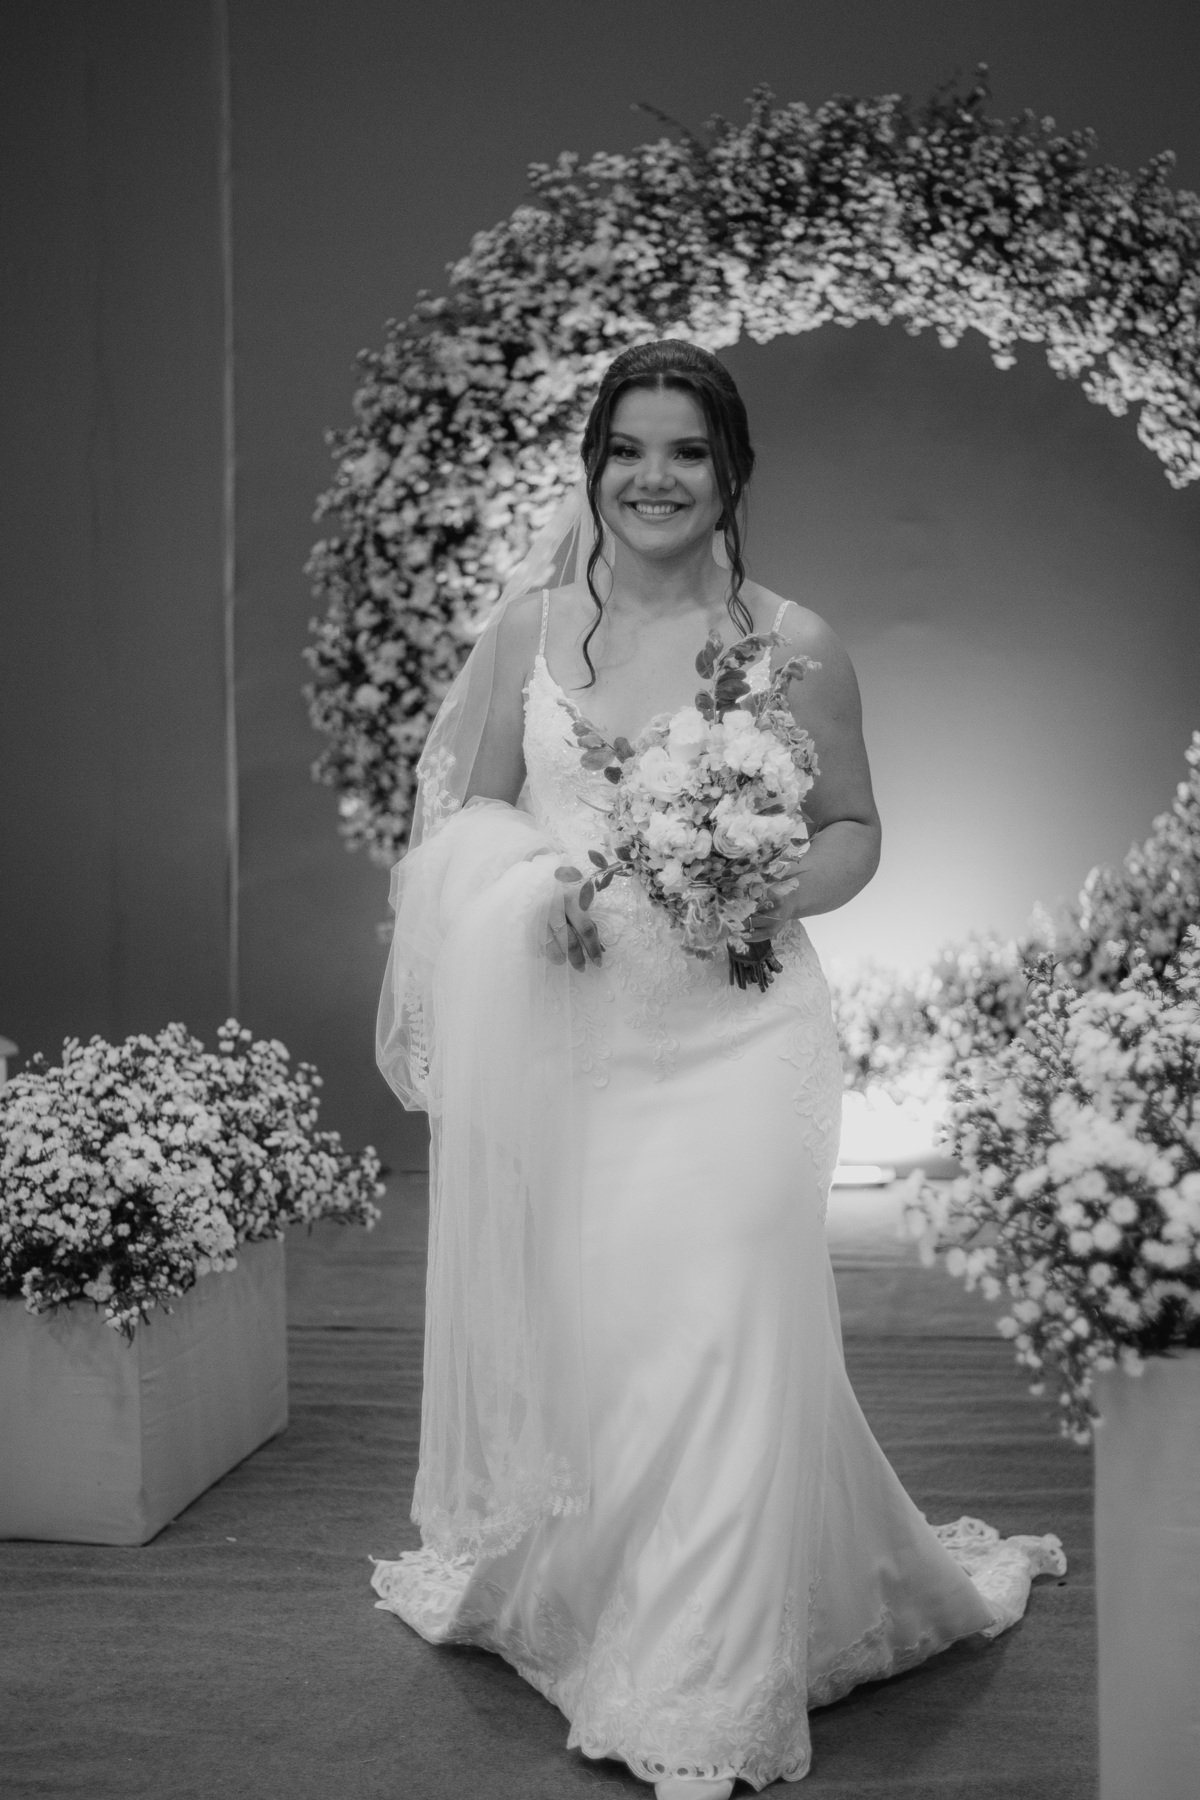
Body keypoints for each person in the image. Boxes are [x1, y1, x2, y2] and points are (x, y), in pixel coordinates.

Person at [371, 340, 1064, 1797]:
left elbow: (855, 829)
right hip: (583, 1049)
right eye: (628, 449)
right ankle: (619, 1598)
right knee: (626, 1341)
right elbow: (467, 823)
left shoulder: (795, 644)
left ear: (731, 470)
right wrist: (534, 888)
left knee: (732, 1321)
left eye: (687, 451)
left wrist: (760, 885)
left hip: (745, 1035)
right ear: (593, 468)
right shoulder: (527, 632)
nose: (655, 478)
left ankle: (705, 1688)